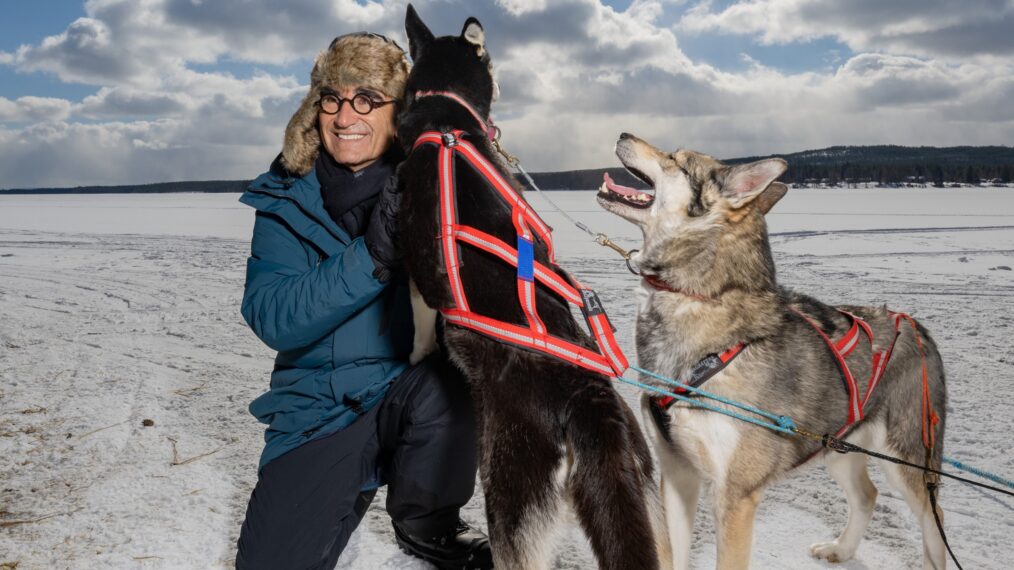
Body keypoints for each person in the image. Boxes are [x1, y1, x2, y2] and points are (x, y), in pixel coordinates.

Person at [234, 32, 492, 570]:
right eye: (333, 97)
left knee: (454, 382)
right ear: (316, 107)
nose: (345, 115)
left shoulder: (426, 185)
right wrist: (373, 255)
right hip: (322, 409)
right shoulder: (286, 199)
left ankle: (429, 522)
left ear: (398, 112)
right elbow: (274, 316)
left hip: (412, 391)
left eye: (368, 99)